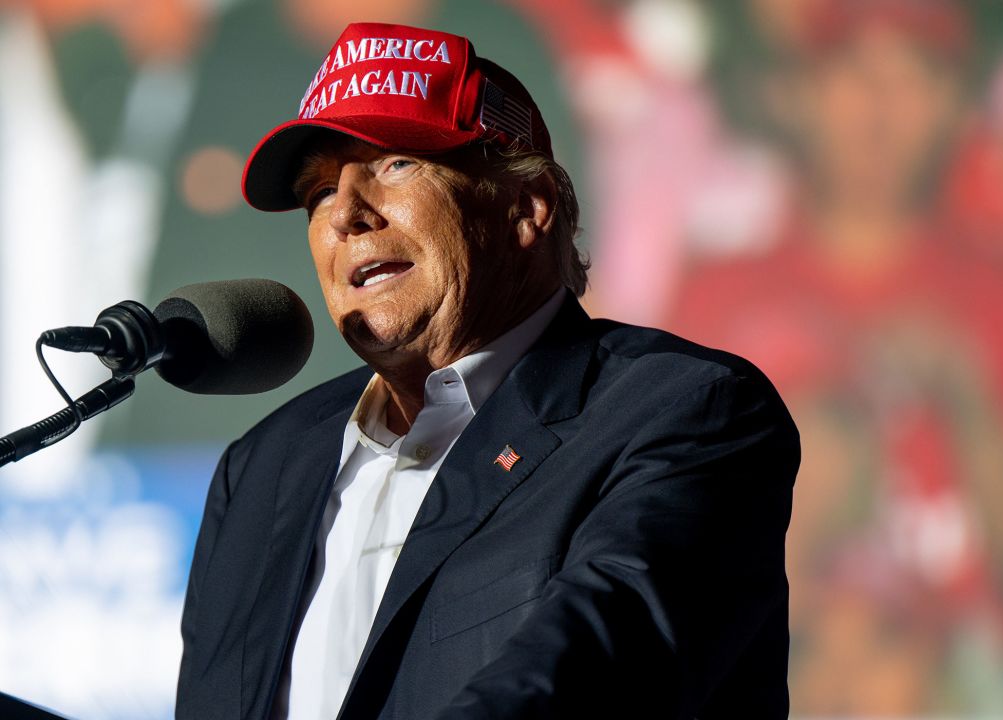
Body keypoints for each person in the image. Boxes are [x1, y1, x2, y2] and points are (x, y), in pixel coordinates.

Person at [174, 22, 798, 720]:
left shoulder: (684, 412)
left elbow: (591, 681)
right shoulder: (261, 468)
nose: (346, 213)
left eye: (396, 164)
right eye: (318, 190)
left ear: (527, 206)